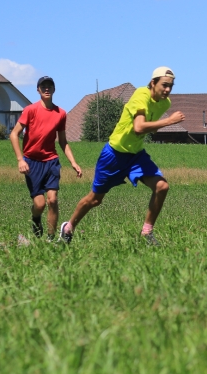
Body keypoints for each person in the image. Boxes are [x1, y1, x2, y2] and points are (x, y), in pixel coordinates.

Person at [59, 67, 185, 246]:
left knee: (162, 187)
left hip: (135, 155)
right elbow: (139, 127)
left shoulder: (164, 104)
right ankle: (68, 228)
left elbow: (151, 127)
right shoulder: (141, 95)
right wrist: (169, 121)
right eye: (164, 85)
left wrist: (158, 125)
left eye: (170, 86)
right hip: (114, 155)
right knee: (95, 199)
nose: (167, 89)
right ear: (153, 83)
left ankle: (147, 232)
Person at [10, 76, 82, 241]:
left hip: (51, 161)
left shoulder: (61, 113)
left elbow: (63, 141)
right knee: (40, 204)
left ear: (54, 89)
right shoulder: (30, 110)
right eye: (43, 86)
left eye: (50, 86)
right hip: (31, 163)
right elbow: (14, 134)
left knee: (53, 200)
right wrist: (20, 160)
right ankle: (36, 218)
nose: (47, 89)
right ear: (38, 90)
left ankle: (51, 239)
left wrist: (73, 162)